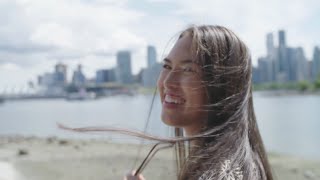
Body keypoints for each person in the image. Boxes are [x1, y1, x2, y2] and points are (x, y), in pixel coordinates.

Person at [124, 25, 273, 180]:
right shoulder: (234, 164)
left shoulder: (221, 173)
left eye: (188, 70)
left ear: (222, 84)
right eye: (167, 66)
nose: (168, 82)